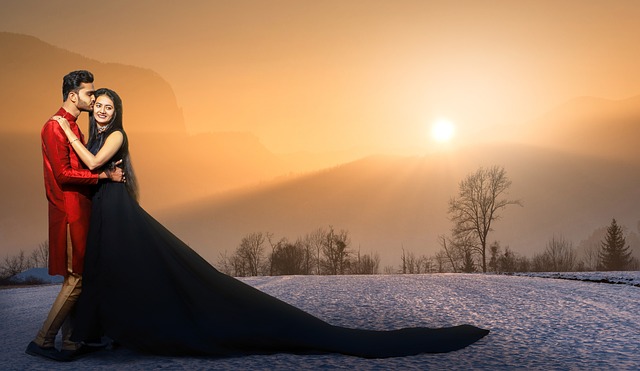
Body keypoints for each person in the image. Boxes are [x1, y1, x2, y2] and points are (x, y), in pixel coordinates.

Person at [55, 88, 489, 359]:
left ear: (118, 111)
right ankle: (100, 332)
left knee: (159, 272)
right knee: (110, 272)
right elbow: (94, 171)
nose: (104, 112)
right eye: (100, 106)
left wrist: (65, 128)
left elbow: (92, 162)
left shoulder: (111, 137)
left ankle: (99, 333)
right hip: (107, 211)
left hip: (118, 212)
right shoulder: (96, 131)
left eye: (109, 107)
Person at [26, 71, 124, 362]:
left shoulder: (72, 126)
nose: (93, 99)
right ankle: (43, 340)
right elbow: (63, 174)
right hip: (70, 211)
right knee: (75, 279)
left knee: (79, 277)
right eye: (89, 94)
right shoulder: (55, 127)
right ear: (73, 96)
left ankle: (70, 342)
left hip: (80, 209)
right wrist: (104, 176)